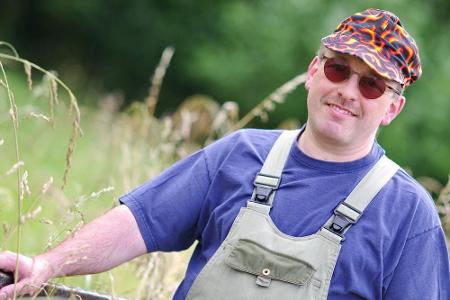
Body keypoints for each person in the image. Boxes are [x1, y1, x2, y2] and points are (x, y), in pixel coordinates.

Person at [1, 8, 449, 300]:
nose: (348, 91)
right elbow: (137, 223)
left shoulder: (408, 214)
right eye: (338, 69)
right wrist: (47, 265)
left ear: (392, 107)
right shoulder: (238, 154)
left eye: (371, 84)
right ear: (314, 72)